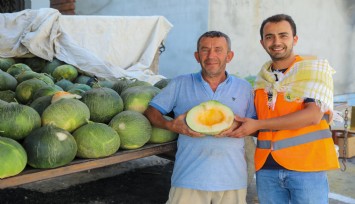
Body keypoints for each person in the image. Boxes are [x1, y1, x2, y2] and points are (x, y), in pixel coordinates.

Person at [230, 14, 340, 203]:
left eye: (283, 35)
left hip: (307, 168)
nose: (276, 42)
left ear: (294, 39)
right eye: (269, 37)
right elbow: (257, 123)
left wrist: (258, 123)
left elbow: (313, 116)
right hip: (267, 168)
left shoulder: (312, 71)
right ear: (262, 42)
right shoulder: (261, 80)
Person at [144, 31, 256, 204]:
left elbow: (254, 126)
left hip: (232, 180)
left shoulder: (244, 88)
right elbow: (151, 112)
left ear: (229, 56)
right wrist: (171, 125)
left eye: (218, 50)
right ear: (197, 56)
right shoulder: (180, 83)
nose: (211, 56)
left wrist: (239, 129)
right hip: (188, 178)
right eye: (205, 50)